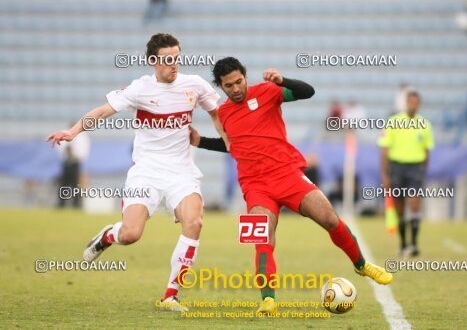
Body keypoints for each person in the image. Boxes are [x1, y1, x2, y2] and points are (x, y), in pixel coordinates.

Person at [189, 57, 393, 315]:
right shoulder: (225, 113)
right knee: (262, 238)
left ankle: (361, 264)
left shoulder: (267, 91)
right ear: (221, 86)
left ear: (245, 77)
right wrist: (200, 141)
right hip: (255, 185)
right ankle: (268, 299)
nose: (236, 88)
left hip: (287, 174)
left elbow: (308, 92)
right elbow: (232, 145)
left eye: (239, 81)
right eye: (229, 85)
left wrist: (283, 80)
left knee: (329, 218)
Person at [46, 33, 227, 311]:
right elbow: (104, 111)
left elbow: (218, 114)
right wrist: (72, 131)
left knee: (195, 223)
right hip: (146, 171)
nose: (173, 65)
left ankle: (170, 295)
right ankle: (109, 235)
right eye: (167, 61)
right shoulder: (140, 89)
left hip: (181, 171)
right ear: (153, 61)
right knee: (131, 234)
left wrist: (228, 139)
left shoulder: (195, 85)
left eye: (177, 59)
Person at [378, 91, 435, 258]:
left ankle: (414, 244)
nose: (413, 105)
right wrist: (385, 174)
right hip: (397, 167)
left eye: (416, 103)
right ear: (406, 103)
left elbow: (427, 150)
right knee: (399, 208)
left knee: (415, 204)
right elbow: (384, 149)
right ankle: (403, 244)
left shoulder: (425, 124)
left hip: (415, 168)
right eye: (411, 102)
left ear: (419, 104)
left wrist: (423, 170)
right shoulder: (393, 122)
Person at [57, 126, 90, 209]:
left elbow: (83, 151)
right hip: (66, 162)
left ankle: (76, 204)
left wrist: (74, 153)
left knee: (76, 185)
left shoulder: (82, 137)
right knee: (64, 184)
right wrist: (66, 151)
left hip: (75, 162)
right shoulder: (65, 134)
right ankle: (62, 204)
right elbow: (60, 148)